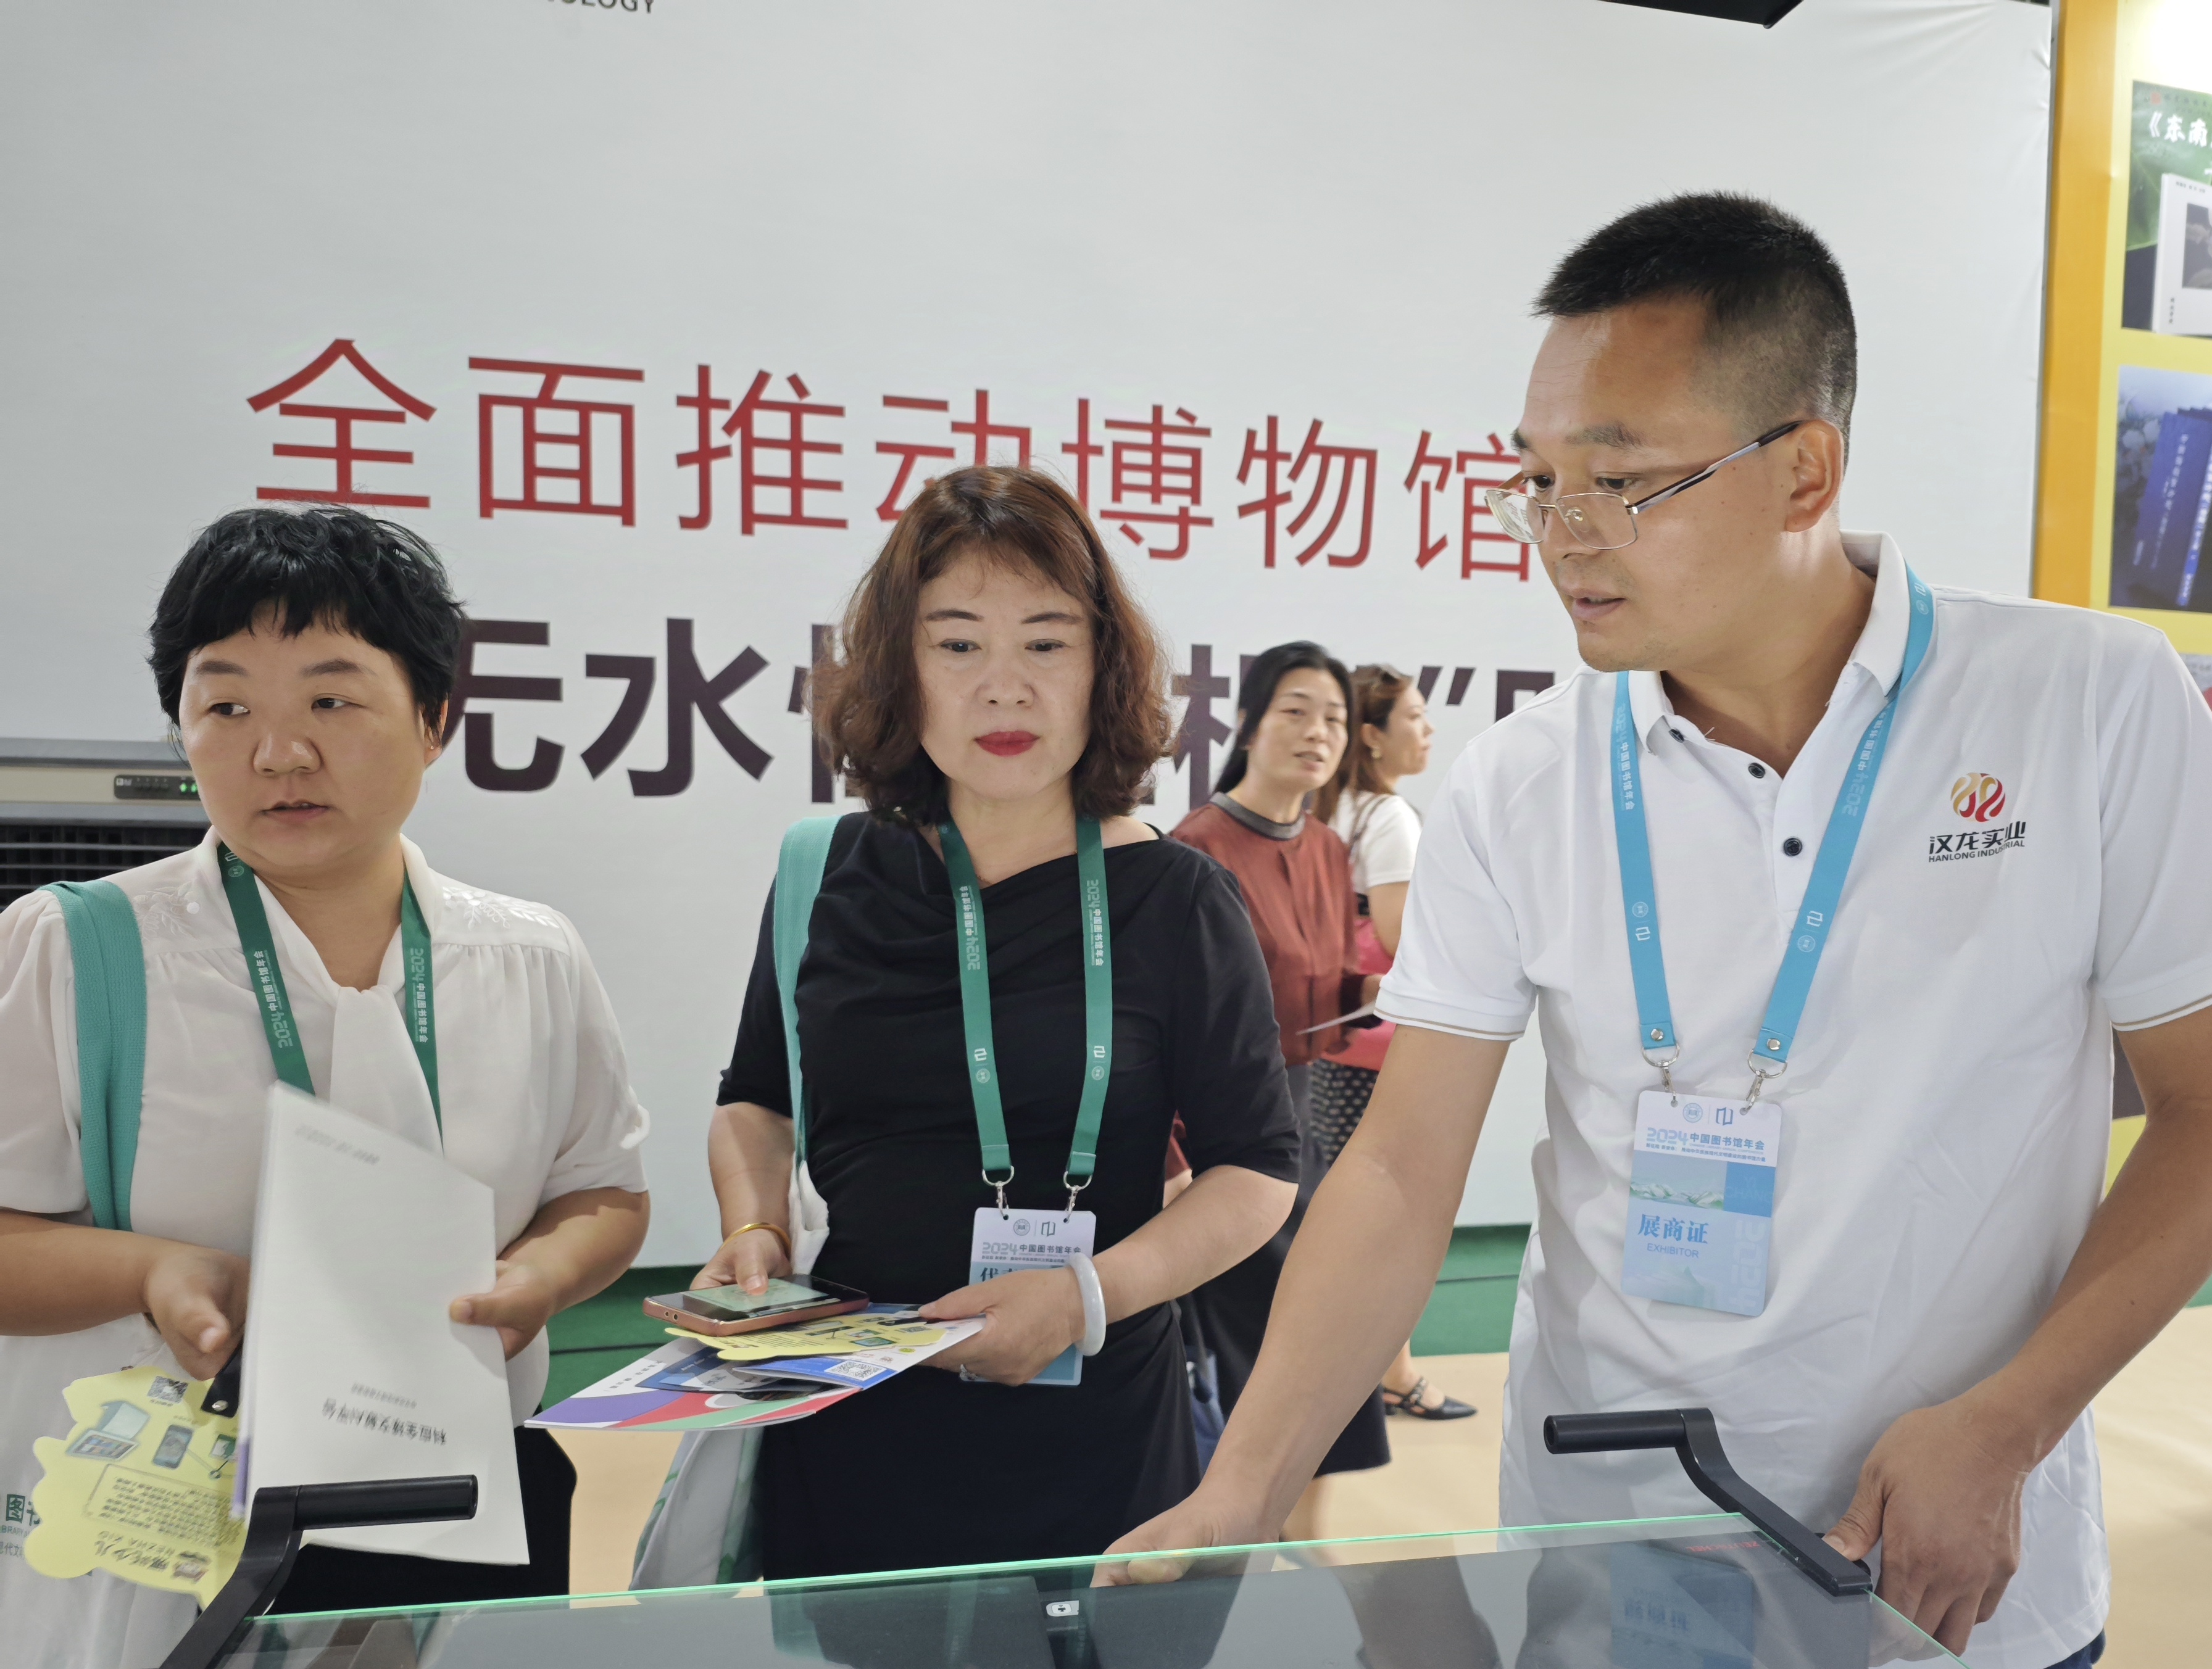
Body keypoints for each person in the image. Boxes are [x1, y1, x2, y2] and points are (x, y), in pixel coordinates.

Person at [1108, 193, 2212, 1669]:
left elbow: (2210, 1108)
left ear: (1803, 469)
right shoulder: (1523, 779)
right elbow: (1397, 1168)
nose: (1562, 534)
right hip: (1615, 1547)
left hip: (1951, 1557)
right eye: (1536, 480)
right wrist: (1246, 1482)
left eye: (1621, 481)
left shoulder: (2084, 705)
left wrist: (2009, 1424)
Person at [0, 506, 652, 1665]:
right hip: (154, 1540)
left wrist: (536, 1284)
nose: (278, 754)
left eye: (332, 702)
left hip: (444, 1506)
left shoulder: (528, 955)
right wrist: (154, 1273)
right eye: (226, 707)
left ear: (435, 719)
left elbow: (602, 1191)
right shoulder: (75, 949)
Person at [694, 465, 1299, 1578]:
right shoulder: (821, 870)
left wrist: (1083, 1297)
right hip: (854, 1421)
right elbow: (757, 1100)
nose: (1003, 689)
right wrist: (755, 1226)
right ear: (900, 667)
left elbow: (1255, 1172)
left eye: (1046, 643)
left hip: (1099, 1427)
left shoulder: (1175, 899)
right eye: (958, 644)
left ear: (1101, 666)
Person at [1167, 642, 1391, 1539]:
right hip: (1218, 1141)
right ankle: (1250, 1527)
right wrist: (1173, 1164)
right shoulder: (1194, 850)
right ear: (1247, 722)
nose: (1317, 732)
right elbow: (1163, 1025)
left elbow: (1324, 991)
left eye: (1334, 718)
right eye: (1295, 709)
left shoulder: (1330, 847)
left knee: (1331, 1327)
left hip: (1304, 1122)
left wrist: (1372, 989)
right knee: (1267, 1341)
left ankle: (1302, 1529)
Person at [1311, 665, 1472, 1423]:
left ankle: (1366, 1373)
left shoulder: (1323, 807)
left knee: (1338, 1208)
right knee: (1391, 1215)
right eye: (1414, 716)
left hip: (1326, 1039)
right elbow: (1403, 941)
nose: (1428, 729)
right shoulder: (1388, 817)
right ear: (1372, 735)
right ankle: (1393, 1374)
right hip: (1379, 1043)